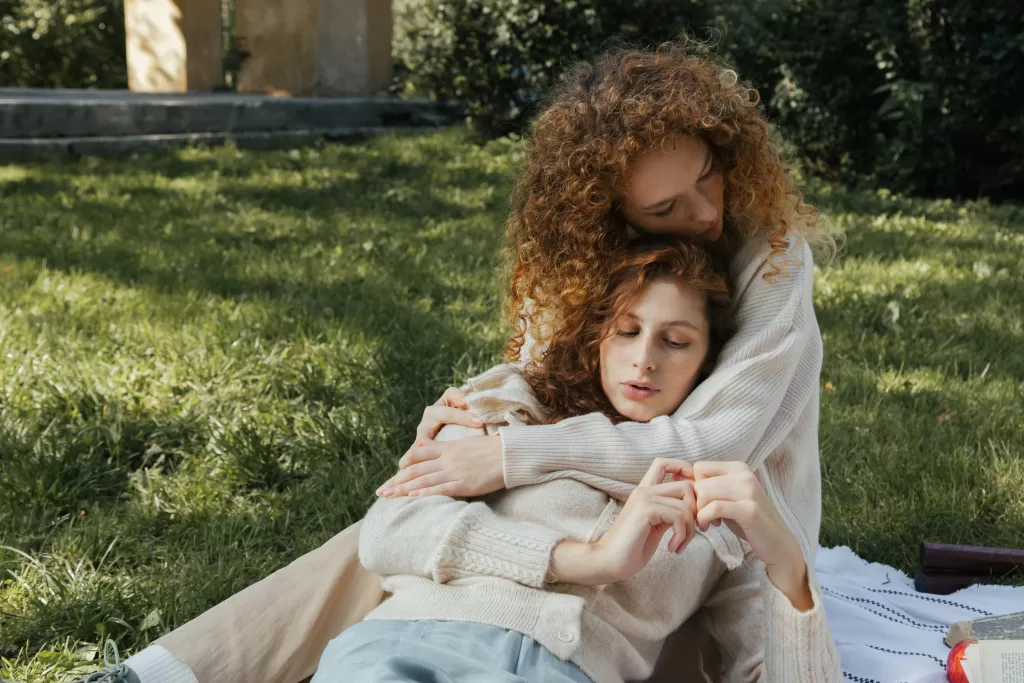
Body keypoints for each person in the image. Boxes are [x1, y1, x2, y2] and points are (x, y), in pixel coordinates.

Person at [89, 42, 833, 683]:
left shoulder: (769, 261)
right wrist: (484, 438)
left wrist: (510, 458)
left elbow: (716, 446)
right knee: (387, 534)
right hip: (427, 627)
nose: (704, 214)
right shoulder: (569, 335)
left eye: (707, 176)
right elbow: (530, 389)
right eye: (665, 209)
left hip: (731, 491)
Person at [311, 238, 839, 683]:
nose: (645, 359)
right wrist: (591, 560)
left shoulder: (716, 500)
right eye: (626, 331)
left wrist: (787, 569)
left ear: (707, 364)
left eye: (676, 342)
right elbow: (392, 528)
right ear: (595, 338)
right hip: (408, 644)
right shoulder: (512, 406)